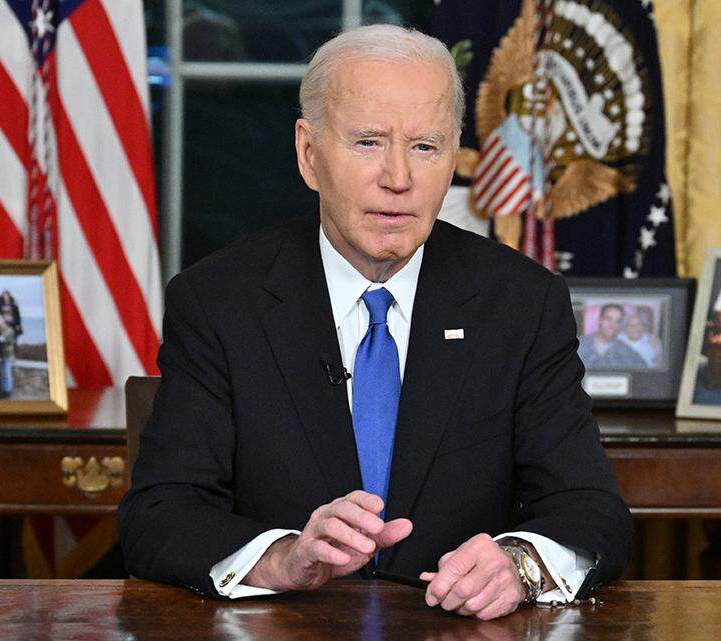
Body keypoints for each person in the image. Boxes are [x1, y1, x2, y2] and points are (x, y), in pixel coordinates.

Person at [120, 26, 631, 621]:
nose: (398, 178)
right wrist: (282, 559)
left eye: (425, 147)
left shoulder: (521, 303)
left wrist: (517, 565)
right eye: (368, 142)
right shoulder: (218, 302)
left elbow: (592, 510)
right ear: (309, 155)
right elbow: (159, 513)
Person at [577, 304, 647, 368]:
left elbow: (644, 372)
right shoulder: (579, 345)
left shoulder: (627, 351)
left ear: (621, 325)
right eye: (608, 319)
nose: (612, 325)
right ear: (600, 320)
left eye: (618, 321)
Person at [0, 313, 16, 397]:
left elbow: (0, 340)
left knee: (7, 374)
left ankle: (8, 391)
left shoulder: (9, 330)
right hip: (1, 355)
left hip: (8, 355)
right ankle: (4, 390)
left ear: (3, 320)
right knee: (2, 374)